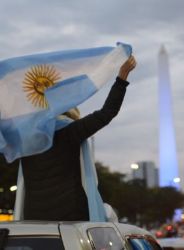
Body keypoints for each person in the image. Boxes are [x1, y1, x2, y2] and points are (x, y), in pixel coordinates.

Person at [20, 55, 136, 221]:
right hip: (71, 220)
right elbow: (106, 113)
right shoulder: (68, 133)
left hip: (34, 221)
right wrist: (122, 77)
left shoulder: (24, 140)